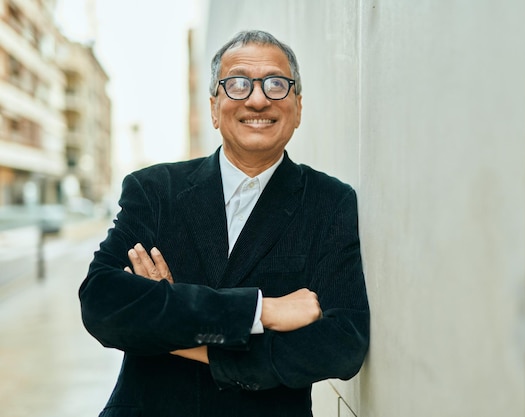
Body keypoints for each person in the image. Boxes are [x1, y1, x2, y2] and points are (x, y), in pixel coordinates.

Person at [79, 30, 369, 417]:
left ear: (298, 107)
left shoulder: (329, 202)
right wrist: (260, 311)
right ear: (214, 107)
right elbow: (102, 304)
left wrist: (169, 323)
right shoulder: (155, 191)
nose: (258, 98)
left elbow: (342, 344)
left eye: (276, 84)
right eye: (238, 84)